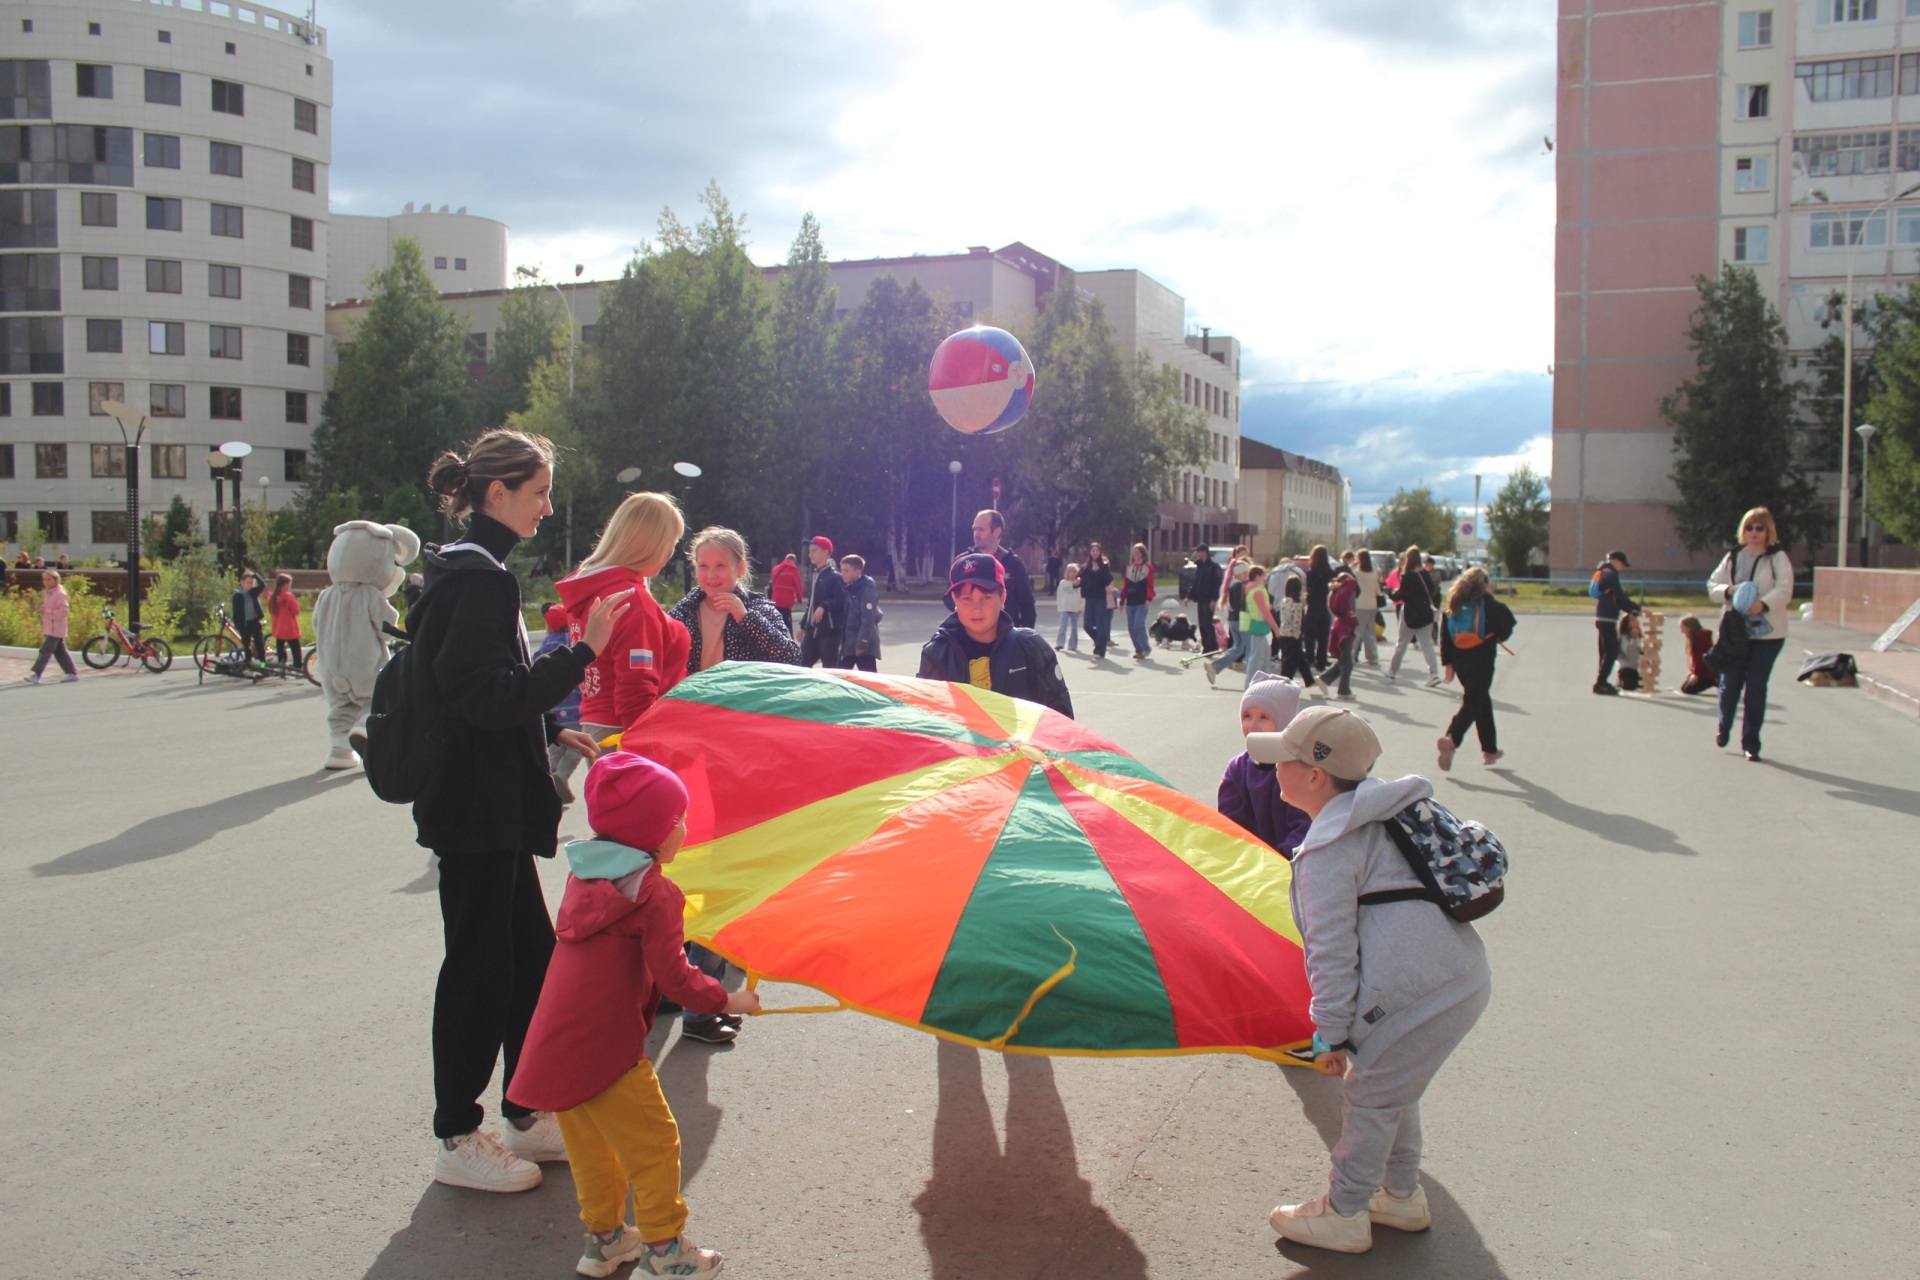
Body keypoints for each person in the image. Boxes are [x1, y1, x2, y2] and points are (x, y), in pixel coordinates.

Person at [409, 428, 633, 1193]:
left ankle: (523, 1114)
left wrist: (547, 721)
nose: (545, 506)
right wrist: (580, 654)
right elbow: (483, 695)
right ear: (496, 494)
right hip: (473, 811)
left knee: (528, 962)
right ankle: (455, 1134)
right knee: (479, 969)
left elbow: (478, 687)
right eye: (537, 492)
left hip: (487, 804)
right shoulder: (477, 579)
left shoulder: (475, 570)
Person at [1251, 706, 1491, 1255]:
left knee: (1370, 1095)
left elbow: (1331, 954)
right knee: (1391, 1087)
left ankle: (1346, 1211)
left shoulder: (1330, 850)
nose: (1272, 768)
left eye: (1283, 759)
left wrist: (1331, 1036)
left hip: (1421, 993)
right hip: (1454, 976)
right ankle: (1401, 1196)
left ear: (1315, 776)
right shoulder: (1377, 812)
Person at [507, 751, 755, 1278]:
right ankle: (666, 1253)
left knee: (592, 1151)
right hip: (607, 1049)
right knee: (656, 1146)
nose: (685, 827)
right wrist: (728, 999)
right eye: (679, 820)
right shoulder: (656, 892)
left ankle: (606, 1242)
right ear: (658, 836)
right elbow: (676, 977)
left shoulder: (587, 875)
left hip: (556, 1044)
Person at [665, 525, 799, 1044]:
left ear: (741, 569)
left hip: (742, 751)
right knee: (688, 859)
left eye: (720, 566)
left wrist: (743, 617)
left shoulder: (760, 611)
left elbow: (790, 662)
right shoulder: (682, 611)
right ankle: (680, 991)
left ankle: (697, 991)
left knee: (724, 859)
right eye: (702, 567)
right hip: (690, 745)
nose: (711, 576)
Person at [556, 492, 692, 746]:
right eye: (671, 542)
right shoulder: (632, 601)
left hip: (597, 725)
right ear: (650, 542)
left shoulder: (591, 588)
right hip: (631, 732)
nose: (672, 552)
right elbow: (636, 687)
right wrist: (645, 747)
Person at [918, 552, 1073, 718]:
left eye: (985, 598)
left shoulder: (1032, 649)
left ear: (1003, 598)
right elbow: (927, 722)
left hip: (1021, 743)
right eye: (966, 599)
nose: (976, 608)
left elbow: (1061, 720)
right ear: (954, 600)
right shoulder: (937, 654)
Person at [1706, 506, 1794, 762]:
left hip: (1768, 634)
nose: (1754, 532)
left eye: (1760, 528)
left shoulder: (1777, 558)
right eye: (1749, 527)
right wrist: (1730, 591)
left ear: (1768, 532)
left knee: (1755, 687)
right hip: (1734, 632)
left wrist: (1763, 605)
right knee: (1730, 683)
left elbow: (1785, 588)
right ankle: (1724, 725)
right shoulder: (1733, 556)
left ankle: (1751, 742)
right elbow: (1712, 585)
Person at [1217, 673, 1312, 858]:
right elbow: (1230, 820)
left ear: (1284, 723)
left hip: (1288, 863)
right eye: (1247, 716)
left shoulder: (1296, 769)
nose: (1252, 724)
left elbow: (1304, 826)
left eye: (1263, 717)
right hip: (1249, 861)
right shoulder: (1238, 768)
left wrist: (1279, 859)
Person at [1436, 566, 1517, 771]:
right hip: (1482, 658)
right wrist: (1495, 635)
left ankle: (1489, 750)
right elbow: (1508, 623)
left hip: (1460, 660)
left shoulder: (1454, 604)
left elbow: (1445, 638)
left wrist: (1448, 664)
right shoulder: (1488, 605)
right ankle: (1452, 738)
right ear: (1484, 585)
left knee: (1481, 699)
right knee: (1474, 701)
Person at [536, 605, 587, 803]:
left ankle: (547, 781)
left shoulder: (542, 649)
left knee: (556, 748)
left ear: (549, 627)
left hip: (554, 710)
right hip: (576, 710)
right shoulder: (574, 645)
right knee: (576, 748)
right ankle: (561, 776)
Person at [1201, 563, 1274, 688]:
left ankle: (1215, 667)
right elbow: (1240, 604)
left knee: (1238, 648)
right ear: (1241, 573)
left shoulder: (1232, 585)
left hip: (1233, 620)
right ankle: (1252, 681)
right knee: (1252, 650)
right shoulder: (1239, 586)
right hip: (1242, 621)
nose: (1247, 575)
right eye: (1245, 573)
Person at [969, 508, 1037, 628]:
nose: (976, 534)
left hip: (1005, 636)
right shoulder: (966, 562)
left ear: (997, 531)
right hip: (971, 637)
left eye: (981, 529)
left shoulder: (1013, 564)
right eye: (974, 529)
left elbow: (1027, 604)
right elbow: (949, 597)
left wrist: (1022, 638)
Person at [1385, 547, 1441, 687]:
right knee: (1426, 643)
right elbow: (1433, 591)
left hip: (1410, 613)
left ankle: (1392, 671)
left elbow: (1400, 595)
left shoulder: (1408, 576)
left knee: (1402, 643)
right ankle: (1433, 673)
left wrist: (1389, 592)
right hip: (1426, 613)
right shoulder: (1425, 574)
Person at [1590, 549, 1640, 696]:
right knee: (1611, 651)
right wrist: (1637, 608)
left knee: (1605, 652)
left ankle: (1602, 681)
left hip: (1602, 617)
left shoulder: (1603, 572)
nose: (1623, 567)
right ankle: (1600, 683)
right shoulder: (1610, 575)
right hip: (1607, 618)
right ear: (1616, 561)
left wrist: (1632, 610)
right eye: (1623, 564)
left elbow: (1617, 599)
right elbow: (1620, 596)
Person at [799, 536, 848, 669]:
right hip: (812, 631)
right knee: (801, 666)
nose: (810, 555)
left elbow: (842, 601)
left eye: (814, 551)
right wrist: (804, 625)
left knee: (830, 669)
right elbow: (811, 604)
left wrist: (824, 606)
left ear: (826, 552)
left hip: (829, 633)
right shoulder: (814, 575)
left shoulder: (834, 577)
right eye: (810, 551)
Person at [24, 570, 78, 683]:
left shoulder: (60, 594)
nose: (46, 582)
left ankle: (36, 674)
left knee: (45, 651)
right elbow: (50, 607)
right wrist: (42, 609)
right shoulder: (49, 593)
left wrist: (46, 611)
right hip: (51, 628)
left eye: (49, 579)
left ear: (56, 580)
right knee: (60, 652)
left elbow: (63, 612)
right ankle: (72, 673)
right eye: (44, 579)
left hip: (56, 628)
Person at [839, 553, 882, 672]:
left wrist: (862, 643)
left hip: (863, 646)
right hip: (850, 643)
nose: (843, 574)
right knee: (840, 675)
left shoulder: (866, 590)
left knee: (870, 679)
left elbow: (868, 619)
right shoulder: (851, 588)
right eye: (842, 570)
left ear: (857, 571)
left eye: (847, 570)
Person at [1274, 574, 1318, 689]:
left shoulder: (1284, 601)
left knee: (1299, 658)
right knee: (1291, 662)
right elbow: (1297, 621)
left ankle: (1309, 679)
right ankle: (1283, 682)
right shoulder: (1298, 604)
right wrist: (1300, 635)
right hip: (1294, 635)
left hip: (1284, 632)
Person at [1078, 541, 1114, 660]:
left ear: (1100, 552)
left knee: (1100, 625)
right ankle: (1100, 641)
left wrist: (1098, 570)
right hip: (1089, 598)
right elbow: (1080, 579)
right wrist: (1075, 583)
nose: (1095, 553)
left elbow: (1107, 580)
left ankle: (1100, 651)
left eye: (1097, 551)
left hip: (1100, 598)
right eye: (1093, 550)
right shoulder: (1085, 567)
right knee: (1087, 625)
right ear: (1090, 552)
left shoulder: (1104, 566)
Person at [1328, 563, 1359, 701]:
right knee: (1347, 661)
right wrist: (1341, 582)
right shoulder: (1341, 595)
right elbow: (1352, 582)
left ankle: (1325, 679)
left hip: (1341, 626)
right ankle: (1343, 690)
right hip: (1344, 628)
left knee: (1344, 660)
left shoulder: (1334, 596)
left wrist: (1335, 584)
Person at [1120, 541, 1156, 661]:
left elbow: (1150, 584)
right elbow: (1126, 585)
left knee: (1138, 624)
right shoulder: (1130, 568)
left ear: (1142, 554)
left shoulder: (1148, 568)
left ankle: (1146, 647)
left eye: (1137, 552)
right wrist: (1122, 600)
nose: (1135, 554)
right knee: (1131, 627)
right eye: (1134, 552)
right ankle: (1139, 649)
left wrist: (1149, 598)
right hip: (1130, 599)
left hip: (1142, 600)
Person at [1189, 542, 1224, 655]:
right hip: (1200, 598)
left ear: (1205, 552)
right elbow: (1195, 583)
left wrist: (1214, 599)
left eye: (1200, 552)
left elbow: (1216, 584)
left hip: (1209, 599)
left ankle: (1212, 646)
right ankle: (1206, 647)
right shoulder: (1199, 566)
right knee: (1202, 624)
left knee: (1207, 623)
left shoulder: (1213, 567)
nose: (1198, 554)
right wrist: (1189, 596)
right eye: (1197, 552)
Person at [1304, 545, 1334, 671]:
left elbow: (1309, 589)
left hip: (1312, 606)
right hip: (1326, 606)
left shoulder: (1310, 573)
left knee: (1309, 636)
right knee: (1323, 637)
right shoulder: (1331, 573)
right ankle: (1321, 662)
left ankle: (1310, 659)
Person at [1349, 550, 1382, 667]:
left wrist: (1352, 564)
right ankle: (1372, 656)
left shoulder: (1357, 573)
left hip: (1360, 604)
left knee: (1357, 631)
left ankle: (1351, 655)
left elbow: (1348, 575)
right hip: (1372, 604)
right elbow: (1378, 590)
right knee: (1370, 631)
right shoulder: (1374, 574)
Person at [267, 572, 303, 667]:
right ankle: (297, 664)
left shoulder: (273, 598)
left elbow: (271, 611)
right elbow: (296, 611)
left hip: (278, 627)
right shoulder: (288, 597)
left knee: (280, 646)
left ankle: (282, 662)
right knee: (295, 646)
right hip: (290, 626)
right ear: (285, 584)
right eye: (289, 584)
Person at [232, 568, 267, 663]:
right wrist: (237, 624)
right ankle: (248, 661)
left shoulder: (253, 592)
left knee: (259, 643)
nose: (249, 585)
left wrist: (255, 575)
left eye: (251, 583)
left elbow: (263, 584)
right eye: (247, 583)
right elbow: (235, 612)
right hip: (244, 624)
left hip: (254, 621)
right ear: (241, 582)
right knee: (246, 644)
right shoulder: (237, 596)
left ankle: (262, 663)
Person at [1678, 615, 1715, 696]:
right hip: (1703, 670)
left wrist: (1696, 674)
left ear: (1689, 627)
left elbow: (1699, 658)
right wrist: (1692, 672)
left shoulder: (1700, 637)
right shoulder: (1695, 636)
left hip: (1708, 672)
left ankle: (1714, 680)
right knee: (1684, 687)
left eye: (1683, 628)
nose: (1682, 631)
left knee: (1688, 689)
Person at [768, 552, 803, 635]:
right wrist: (799, 599)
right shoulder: (793, 571)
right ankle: (788, 638)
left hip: (776, 599)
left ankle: (776, 637)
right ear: (793, 561)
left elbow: (773, 584)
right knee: (786, 621)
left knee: (776, 620)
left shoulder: (776, 569)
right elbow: (798, 586)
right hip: (787, 602)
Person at [1055, 563, 1083, 652]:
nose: (1073, 574)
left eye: (1075, 572)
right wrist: (1060, 606)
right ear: (1067, 572)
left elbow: (1082, 596)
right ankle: (1060, 643)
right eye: (1071, 571)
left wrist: (1081, 607)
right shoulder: (1063, 583)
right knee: (1063, 626)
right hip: (1065, 608)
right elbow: (1059, 595)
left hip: (1075, 608)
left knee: (1074, 627)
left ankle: (1073, 644)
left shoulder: (1079, 583)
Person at [1616, 614, 1643, 692]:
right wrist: (1635, 639)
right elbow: (1627, 652)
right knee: (1629, 686)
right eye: (1632, 620)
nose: (1636, 621)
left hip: (1635, 668)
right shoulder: (1624, 637)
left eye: (1636, 619)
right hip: (1626, 667)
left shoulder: (1638, 636)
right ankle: (1621, 681)